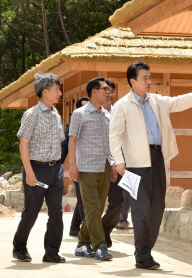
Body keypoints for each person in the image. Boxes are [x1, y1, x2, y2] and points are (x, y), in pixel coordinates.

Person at [109, 61, 192, 270]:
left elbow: (177, 102)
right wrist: (119, 161)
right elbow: (114, 136)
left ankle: (146, 252)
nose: (149, 81)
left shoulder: (157, 101)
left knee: (157, 207)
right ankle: (142, 254)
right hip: (134, 164)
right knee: (140, 210)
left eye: (150, 77)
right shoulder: (122, 105)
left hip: (157, 159)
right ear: (133, 81)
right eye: (144, 78)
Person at [12, 73, 66, 263]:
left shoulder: (56, 114)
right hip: (37, 170)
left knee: (57, 213)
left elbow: (59, 142)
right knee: (32, 211)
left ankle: (51, 251)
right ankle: (19, 247)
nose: (60, 92)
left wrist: (59, 166)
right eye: (56, 89)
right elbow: (23, 144)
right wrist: (29, 171)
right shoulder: (32, 114)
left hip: (55, 171)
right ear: (45, 91)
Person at [68, 77, 118, 261]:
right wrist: (72, 166)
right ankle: (100, 245)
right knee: (91, 207)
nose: (108, 92)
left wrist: (112, 164)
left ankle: (82, 243)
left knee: (98, 207)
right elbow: (72, 140)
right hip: (86, 167)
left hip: (104, 166)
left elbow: (108, 144)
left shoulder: (107, 115)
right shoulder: (79, 114)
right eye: (104, 89)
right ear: (94, 92)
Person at [99, 78, 125, 247]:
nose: (109, 94)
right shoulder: (91, 113)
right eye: (106, 90)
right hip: (96, 165)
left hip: (117, 164)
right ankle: (91, 236)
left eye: (112, 91)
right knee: (95, 204)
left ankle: (104, 229)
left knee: (118, 202)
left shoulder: (120, 111)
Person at [61, 96, 89, 237]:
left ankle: (74, 228)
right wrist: (60, 164)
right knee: (84, 199)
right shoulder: (74, 124)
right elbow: (66, 144)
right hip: (78, 167)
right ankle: (87, 231)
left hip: (92, 166)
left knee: (83, 199)